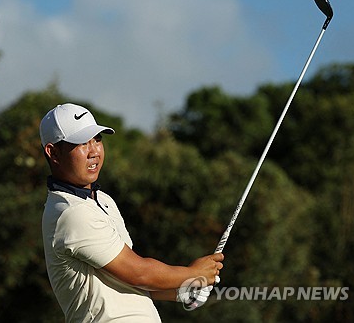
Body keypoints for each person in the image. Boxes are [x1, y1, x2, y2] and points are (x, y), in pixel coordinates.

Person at [40, 103, 224, 322]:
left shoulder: (102, 200)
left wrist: (181, 289)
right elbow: (138, 272)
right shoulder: (71, 213)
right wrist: (192, 273)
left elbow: (128, 280)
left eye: (97, 139)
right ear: (53, 153)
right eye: (81, 143)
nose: (94, 151)